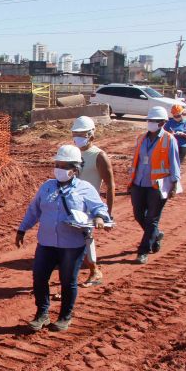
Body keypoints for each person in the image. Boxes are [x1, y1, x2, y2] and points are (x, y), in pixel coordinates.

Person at [16, 145, 110, 332]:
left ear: (75, 169)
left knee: (68, 280)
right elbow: (34, 210)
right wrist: (22, 229)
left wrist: (99, 217)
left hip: (72, 245)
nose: (59, 168)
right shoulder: (47, 186)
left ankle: (65, 316)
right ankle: (42, 313)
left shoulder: (85, 188)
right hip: (46, 242)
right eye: (57, 164)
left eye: (64, 165)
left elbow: (100, 208)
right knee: (39, 278)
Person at [129, 106, 181, 265]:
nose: (150, 123)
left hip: (158, 185)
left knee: (152, 218)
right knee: (139, 215)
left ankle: (143, 251)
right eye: (149, 120)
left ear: (163, 122)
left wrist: (174, 184)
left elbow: (174, 163)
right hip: (138, 182)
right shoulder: (141, 138)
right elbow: (135, 160)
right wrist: (130, 182)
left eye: (154, 121)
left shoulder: (169, 139)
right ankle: (155, 235)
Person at [70, 116, 115, 288]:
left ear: (91, 136)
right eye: (75, 134)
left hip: (89, 206)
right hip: (71, 204)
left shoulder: (99, 156)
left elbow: (110, 185)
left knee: (86, 238)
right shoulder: (73, 153)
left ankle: (94, 271)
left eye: (81, 134)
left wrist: (107, 214)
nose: (77, 138)